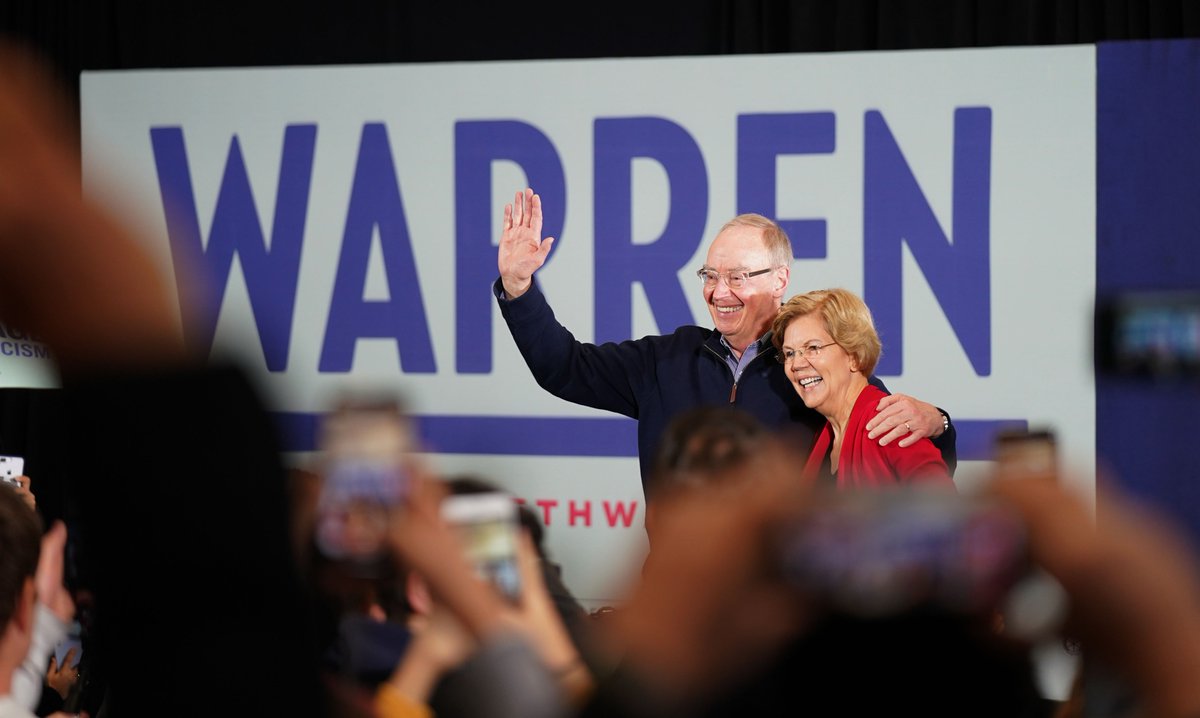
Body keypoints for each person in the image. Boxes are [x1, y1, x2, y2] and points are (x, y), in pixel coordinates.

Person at [494, 189, 957, 488]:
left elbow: (893, 450)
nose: (719, 291)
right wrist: (519, 288)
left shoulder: (812, 371)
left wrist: (939, 422)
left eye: (737, 276)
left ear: (780, 280)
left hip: (780, 612)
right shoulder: (664, 359)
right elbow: (564, 368)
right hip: (681, 602)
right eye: (710, 275)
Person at [771, 288, 953, 487]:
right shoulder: (825, 434)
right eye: (789, 353)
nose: (796, 364)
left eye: (813, 348)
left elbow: (941, 508)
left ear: (854, 356)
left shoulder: (889, 424)